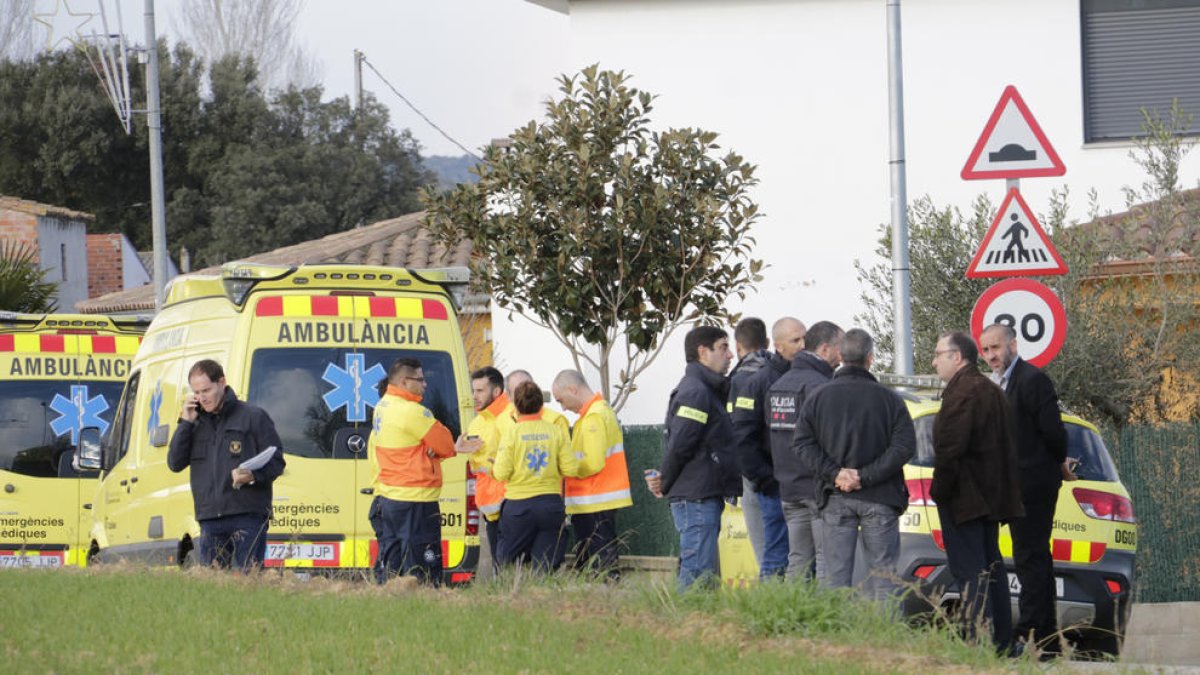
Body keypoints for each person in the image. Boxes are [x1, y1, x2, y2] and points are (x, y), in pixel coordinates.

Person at [793, 329, 914, 601]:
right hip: (880, 497)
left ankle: (836, 629)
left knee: (835, 581)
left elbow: (802, 444)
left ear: (840, 356)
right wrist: (865, 476)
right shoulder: (890, 399)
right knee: (885, 581)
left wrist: (835, 474)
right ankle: (886, 629)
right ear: (870, 358)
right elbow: (904, 447)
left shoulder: (818, 397)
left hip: (835, 496)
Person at [979, 323, 1071, 655]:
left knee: (1030, 558)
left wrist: (1058, 462)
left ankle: (1030, 634)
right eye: (985, 349)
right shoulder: (996, 385)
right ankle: (1045, 638)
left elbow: (1054, 433)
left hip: (1033, 484)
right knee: (1033, 559)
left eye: (995, 347)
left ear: (1013, 346)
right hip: (1010, 486)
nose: (991, 355)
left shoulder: (1032, 380)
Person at [931, 331, 1024, 651]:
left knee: (971, 573)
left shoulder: (963, 393)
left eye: (938, 354)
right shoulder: (991, 390)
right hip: (990, 500)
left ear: (957, 357)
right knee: (991, 572)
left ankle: (980, 643)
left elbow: (950, 450)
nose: (934, 362)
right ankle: (1001, 642)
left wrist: (939, 491)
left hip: (964, 500)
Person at [168, 359, 286, 571]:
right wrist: (185, 422)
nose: (202, 398)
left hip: (248, 515)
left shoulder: (253, 416)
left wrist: (253, 476)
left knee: (250, 580)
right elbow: (175, 463)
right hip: (210, 518)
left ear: (221, 382)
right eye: (197, 392)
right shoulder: (194, 423)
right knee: (213, 585)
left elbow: (276, 461)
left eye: (206, 390)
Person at [645, 324, 739, 591]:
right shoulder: (697, 392)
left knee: (702, 574)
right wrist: (664, 481)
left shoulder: (705, 389)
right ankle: (684, 615)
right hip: (697, 497)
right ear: (703, 352)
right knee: (696, 575)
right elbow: (681, 444)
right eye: (723, 347)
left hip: (701, 494)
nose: (730, 354)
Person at [366, 357, 467, 585]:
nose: (425, 384)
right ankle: (422, 601)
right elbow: (445, 443)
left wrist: (425, 448)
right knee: (422, 569)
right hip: (416, 500)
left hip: (391, 498)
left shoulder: (383, 406)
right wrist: (431, 449)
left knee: (392, 566)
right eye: (420, 380)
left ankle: (389, 600)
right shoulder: (411, 411)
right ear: (404, 381)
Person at [729, 317, 805, 578]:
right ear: (776, 345)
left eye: (804, 338)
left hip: (800, 487)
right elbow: (742, 437)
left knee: (801, 559)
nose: (803, 345)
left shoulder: (810, 379)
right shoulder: (756, 382)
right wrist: (765, 479)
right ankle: (771, 600)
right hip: (771, 485)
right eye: (795, 340)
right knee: (775, 554)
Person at [767, 320, 842, 581]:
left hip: (789, 488)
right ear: (824, 349)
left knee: (798, 559)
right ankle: (824, 608)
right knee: (825, 559)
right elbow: (832, 440)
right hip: (818, 488)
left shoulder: (777, 387)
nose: (842, 354)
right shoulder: (821, 387)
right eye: (839, 347)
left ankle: (792, 606)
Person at [552, 369, 632, 580]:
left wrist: (565, 467)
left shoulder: (593, 417)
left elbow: (593, 463)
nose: (562, 407)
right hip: (597, 500)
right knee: (597, 564)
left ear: (572, 389)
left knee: (600, 566)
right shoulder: (597, 413)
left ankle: (605, 593)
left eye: (561, 400)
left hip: (594, 500)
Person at [493, 381, 581, 572]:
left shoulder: (511, 433)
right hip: (550, 505)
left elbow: (500, 473)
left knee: (506, 561)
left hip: (518, 507)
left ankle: (512, 589)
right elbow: (571, 469)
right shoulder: (555, 431)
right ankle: (541, 589)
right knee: (545, 565)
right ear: (541, 405)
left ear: (516, 406)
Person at [463, 366, 509, 568]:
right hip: (489, 506)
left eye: (480, 391)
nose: (474, 396)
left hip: (510, 502)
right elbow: (475, 465)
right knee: (498, 564)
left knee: (511, 564)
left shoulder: (510, 416)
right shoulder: (476, 423)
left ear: (496, 391)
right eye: (473, 391)